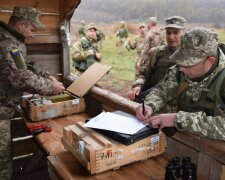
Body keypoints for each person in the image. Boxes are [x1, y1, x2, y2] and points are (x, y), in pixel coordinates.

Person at [0, 6, 65, 179]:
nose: (33, 34)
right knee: (2, 163)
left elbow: (25, 65)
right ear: (21, 24)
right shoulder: (6, 43)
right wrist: (52, 88)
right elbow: (20, 77)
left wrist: (46, 76)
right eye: (32, 29)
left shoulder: (11, 40)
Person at [136, 27, 225, 141]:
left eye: (188, 64)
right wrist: (150, 105)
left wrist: (177, 119)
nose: (181, 69)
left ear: (210, 61)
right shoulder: (182, 68)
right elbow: (163, 90)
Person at [128, 16, 187, 102]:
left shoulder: (193, 56)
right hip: (154, 105)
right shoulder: (156, 53)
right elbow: (143, 74)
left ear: (184, 33)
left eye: (176, 32)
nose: (171, 37)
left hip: (180, 110)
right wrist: (138, 85)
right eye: (168, 33)